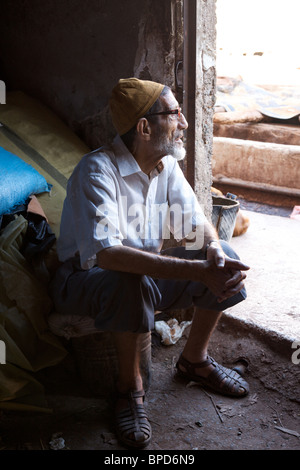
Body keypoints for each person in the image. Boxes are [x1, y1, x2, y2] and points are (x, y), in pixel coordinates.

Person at [50, 78, 250, 449]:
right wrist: (195, 271)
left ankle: (194, 360)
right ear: (144, 127)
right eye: (175, 113)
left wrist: (216, 251)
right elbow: (108, 255)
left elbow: (195, 226)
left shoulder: (165, 166)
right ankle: (130, 390)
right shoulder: (97, 171)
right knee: (129, 280)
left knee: (228, 260)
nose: (184, 123)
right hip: (83, 281)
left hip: (138, 273)